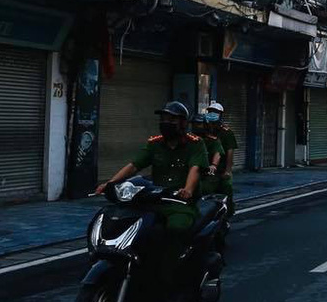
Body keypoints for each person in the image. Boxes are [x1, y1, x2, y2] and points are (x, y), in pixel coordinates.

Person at [97, 101, 207, 278]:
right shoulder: (154, 144)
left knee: (177, 228)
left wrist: (187, 189)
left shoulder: (195, 144)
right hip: (155, 200)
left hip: (180, 202)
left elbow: (195, 169)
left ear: (183, 123)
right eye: (163, 118)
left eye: (171, 119)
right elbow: (134, 166)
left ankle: (172, 272)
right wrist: (110, 183)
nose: (166, 123)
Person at [200, 100, 238, 201]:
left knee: (226, 188)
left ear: (220, 115)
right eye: (210, 112)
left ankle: (228, 212)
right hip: (207, 168)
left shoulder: (227, 133)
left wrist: (228, 170)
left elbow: (230, 152)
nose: (212, 114)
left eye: (215, 112)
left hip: (222, 168)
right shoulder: (204, 130)